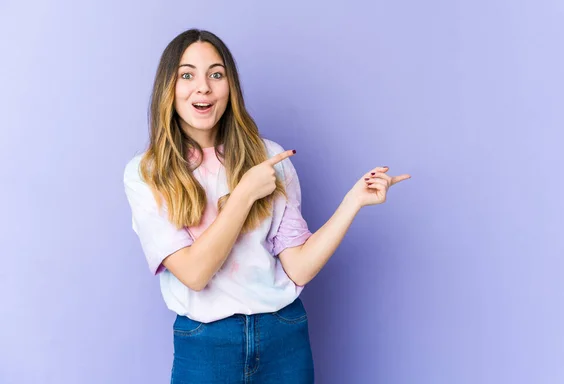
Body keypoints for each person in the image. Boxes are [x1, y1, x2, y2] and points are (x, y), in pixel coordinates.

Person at [123, 28, 410, 383]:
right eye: (187, 75)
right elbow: (195, 274)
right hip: (205, 342)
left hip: (283, 335)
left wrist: (353, 202)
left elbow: (299, 268)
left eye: (216, 74)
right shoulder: (148, 172)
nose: (203, 87)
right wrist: (243, 195)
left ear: (230, 88)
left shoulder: (270, 157)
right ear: (169, 87)